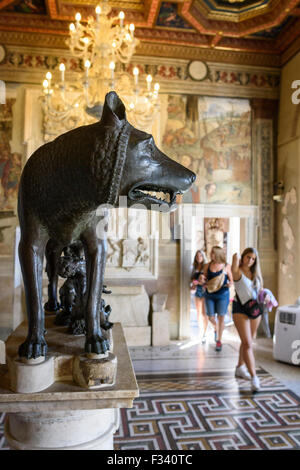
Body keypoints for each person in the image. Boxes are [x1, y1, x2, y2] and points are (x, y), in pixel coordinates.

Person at [231, 248, 263, 392]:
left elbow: (260, 291)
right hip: (240, 308)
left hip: (255, 309)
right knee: (248, 343)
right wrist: (236, 256)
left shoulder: (256, 274)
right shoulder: (237, 271)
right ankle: (254, 377)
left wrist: (266, 296)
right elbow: (233, 264)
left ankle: (239, 367)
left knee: (247, 341)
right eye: (248, 257)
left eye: (253, 259)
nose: (250, 260)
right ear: (243, 257)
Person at [199, 246, 233, 351]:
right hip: (209, 294)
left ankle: (219, 340)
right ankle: (216, 328)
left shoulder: (227, 266)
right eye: (211, 252)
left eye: (213, 253)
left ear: (218, 254)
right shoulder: (207, 266)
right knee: (210, 317)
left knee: (221, 317)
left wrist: (229, 284)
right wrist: (201, 280)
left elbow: (232, 281)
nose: (211, 254)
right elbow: (203, 280)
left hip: (223, 294)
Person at [190, 250, 208, 343]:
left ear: (203, 256)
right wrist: (194, 283)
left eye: (200, 256)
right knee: (199, 313)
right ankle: (201, 331)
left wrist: (201, 282)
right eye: (197, 256)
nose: (199, 257)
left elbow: (208, 279)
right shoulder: (194, 267)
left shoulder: (206, 266)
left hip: (205, 290)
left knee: (204, 313)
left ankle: (205, 333)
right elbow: (192, 279)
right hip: (197, 291)